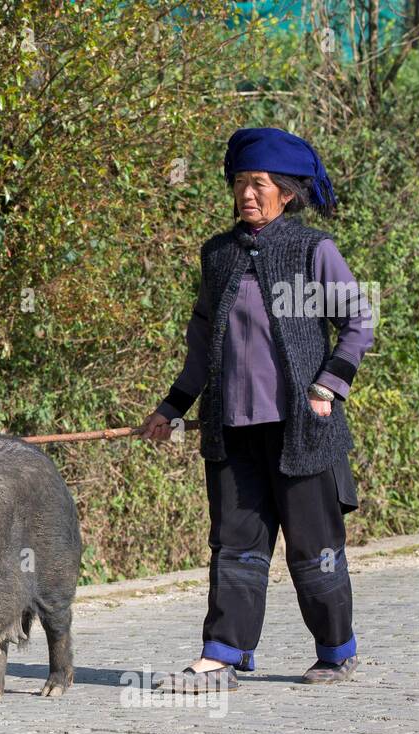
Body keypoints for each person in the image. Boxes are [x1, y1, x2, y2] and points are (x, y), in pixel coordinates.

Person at [142, 126, 373, 692]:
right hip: (231, 430)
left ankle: (336, 651)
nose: (248, 194)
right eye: (241, 183)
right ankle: (223, 655)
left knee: (313, 551)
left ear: (287, 192)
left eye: (260, 184)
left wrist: (328, 387)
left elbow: (357, 322)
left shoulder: (313, 250)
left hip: (303, 429)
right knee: (236, 547)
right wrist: (172, 407)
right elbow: (203, 343)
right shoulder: (218, 255)